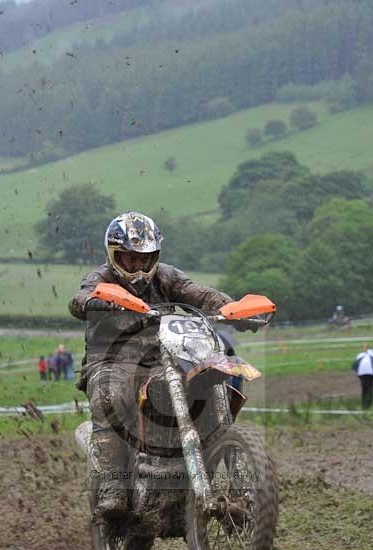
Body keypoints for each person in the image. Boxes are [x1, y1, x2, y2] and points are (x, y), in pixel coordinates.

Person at [68, 211, 250, 518]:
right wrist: (94, 301)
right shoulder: (102, 279)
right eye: (129, 259)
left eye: (145, 259)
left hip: (160, 357)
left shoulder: (166, 276)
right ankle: (114, 483)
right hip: (111, 361)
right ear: (114, 256)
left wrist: (231, 308)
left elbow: (198, 293)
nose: (138, 267)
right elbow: (79, 299)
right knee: (108, 396)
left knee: (205, 384)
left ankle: (241, 482)